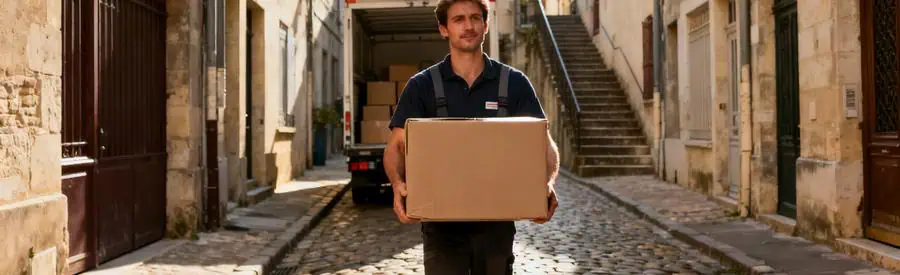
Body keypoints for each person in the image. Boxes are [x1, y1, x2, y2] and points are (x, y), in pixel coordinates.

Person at [383, 0, 560, 274]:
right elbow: (395, 146)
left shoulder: (514, 83)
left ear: (486, 25)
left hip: (497, 226)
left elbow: (544, 144)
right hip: (441, 228)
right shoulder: (422, 86)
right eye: (458, 19)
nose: (469, 26)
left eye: (476, 18)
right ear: (444, 29)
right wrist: (397, 184)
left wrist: (546, 184)